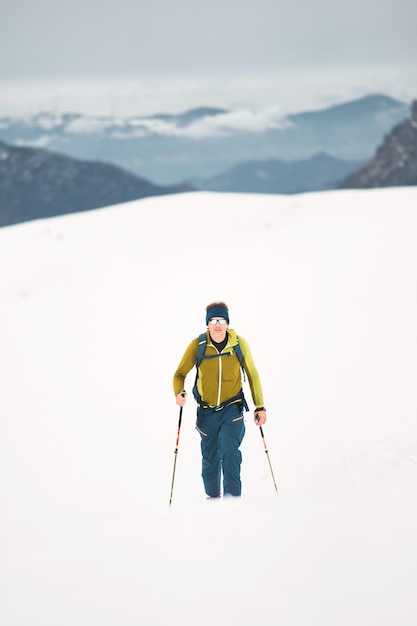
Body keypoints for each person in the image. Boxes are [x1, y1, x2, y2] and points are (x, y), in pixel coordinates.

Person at [173, 301, 267, 498]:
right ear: (207, 323)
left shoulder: (238, 344)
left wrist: (260, 406)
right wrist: (179, 393)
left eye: (222, 320)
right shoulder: (198, 345)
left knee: (230, 451)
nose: (218, 325)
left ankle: (233, 503)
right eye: (213, 320)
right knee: (210, 460)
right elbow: (179, 374)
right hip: (206, 412)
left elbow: (252, 374)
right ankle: (213, 500)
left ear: (227, 323)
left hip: (232, 408)